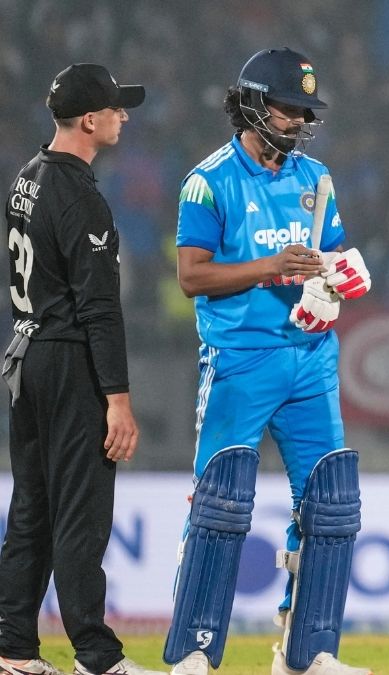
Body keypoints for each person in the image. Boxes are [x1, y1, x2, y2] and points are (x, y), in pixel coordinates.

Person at [161, 48, 373, 675]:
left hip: (311, 357)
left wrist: (338, 280)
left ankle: (307, 654)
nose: (300, 121)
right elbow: (191, 277)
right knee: (220, 502)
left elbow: (330, 255)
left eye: (306, 112)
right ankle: (194, 652)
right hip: (240, 358)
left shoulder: (316, 177)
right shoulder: (208, 181)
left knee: (329, 503)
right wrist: (270, 269)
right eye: (288, 109)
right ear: (253, 105)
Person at [0, 64, 164, 675]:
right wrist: (117, 398)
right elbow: (98, 308)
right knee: (81, 514)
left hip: (25, 355)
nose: (124, 116)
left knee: (33, 511)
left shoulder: (27, 176)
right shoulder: (80, 197)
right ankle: (96, 655)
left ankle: (14, 648)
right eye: (117, 108)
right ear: (90, 120)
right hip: (68, 361)